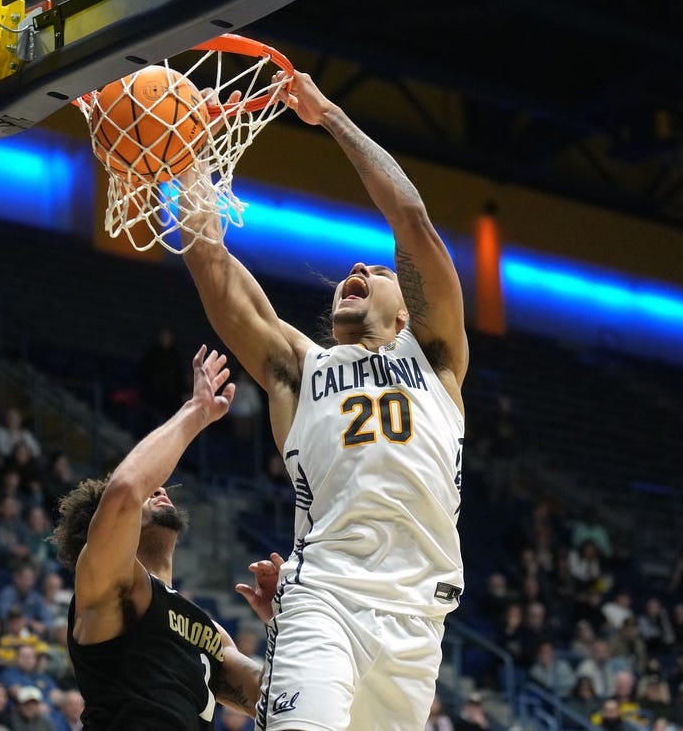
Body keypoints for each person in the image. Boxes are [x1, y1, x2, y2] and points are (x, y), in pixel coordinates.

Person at [180, 69, 467, 731]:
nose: (357, 272)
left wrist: (330, 115)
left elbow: (412, 218)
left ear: (404, 316)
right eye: (351, 271)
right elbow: (211, 263)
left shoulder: (434, 358)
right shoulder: (298, 368)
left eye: (378, 271)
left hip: (418, 625)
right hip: (323, 598)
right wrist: (187, 154)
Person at [51, 346, 267, 728]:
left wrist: (286, 624)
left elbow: (270, 697)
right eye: (149, 492)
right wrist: (194, 412)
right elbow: (124, 492)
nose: (160, 488)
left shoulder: (210, 633)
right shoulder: (107, 584)